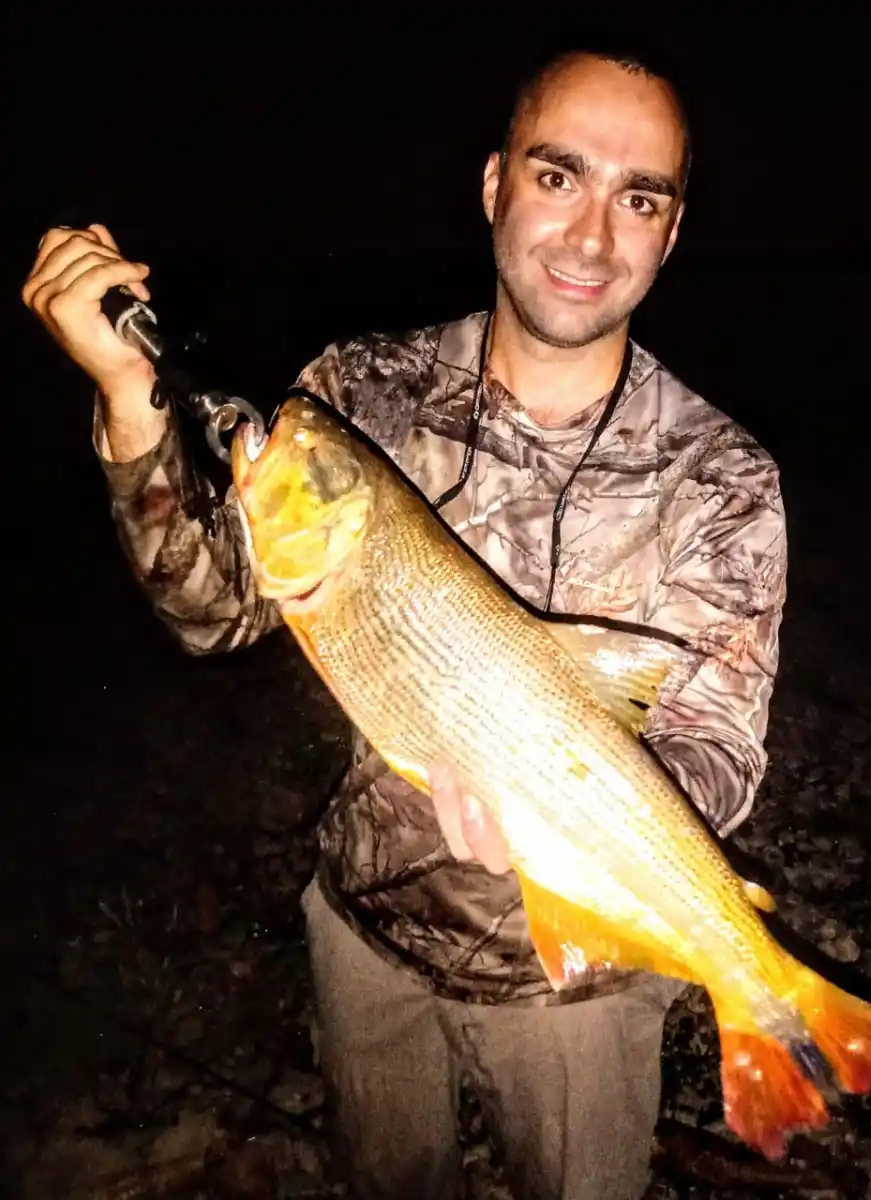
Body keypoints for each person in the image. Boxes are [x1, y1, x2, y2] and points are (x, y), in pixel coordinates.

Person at [22, 29, 787, 1200]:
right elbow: (215, 610)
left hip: (577, 989)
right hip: (363, 937)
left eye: (638, 197)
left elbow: (719, 751)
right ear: (493, 185)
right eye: (555, 174)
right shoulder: (362, 393)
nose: (589, 234)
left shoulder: (723, 475)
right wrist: (130, 398)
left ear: (671, 229)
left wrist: (567, 823)